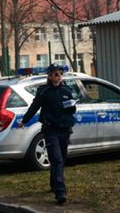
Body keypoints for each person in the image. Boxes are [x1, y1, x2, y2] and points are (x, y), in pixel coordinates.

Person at [18, 64, 77, 205]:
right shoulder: (43, 91)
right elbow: (34, 107)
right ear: (49, 76)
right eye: (55, 74)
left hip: (65, 129)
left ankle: (54, 184)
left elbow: (71, 109)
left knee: (61, 159)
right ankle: (60, 192)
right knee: (56, 159)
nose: (57, 77)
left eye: (59, 74)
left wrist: (71, 107)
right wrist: (24, 121)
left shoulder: (66, 90)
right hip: (51, 129)